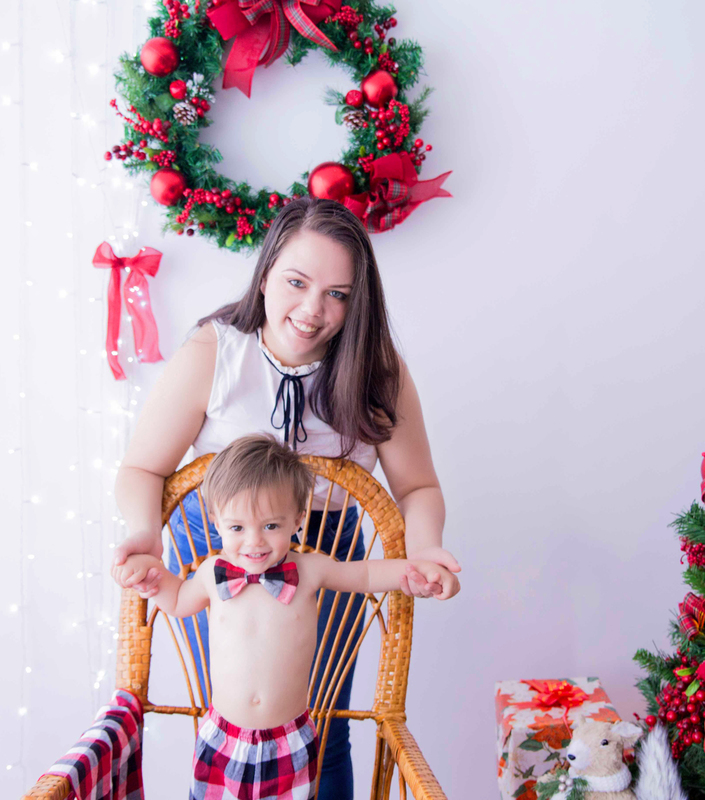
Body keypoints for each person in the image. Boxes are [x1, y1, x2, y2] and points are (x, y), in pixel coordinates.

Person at [111, 197, 460, 797]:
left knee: (321, 728)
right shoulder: (215, 352)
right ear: (267, 270)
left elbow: (418, 485)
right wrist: (146, 536)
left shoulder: (377, 370)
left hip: (330, 550)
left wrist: (426, 548)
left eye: (338, 294)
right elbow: (143, 468)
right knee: (234, 713)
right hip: (218, 546)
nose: (311, 310)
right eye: (297, 282)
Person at [113, 435, 458, 799]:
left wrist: (416, 572)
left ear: (297, 518)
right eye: (237, 528)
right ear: (215, 521)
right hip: (222, 736)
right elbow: (179, 599)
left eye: (271, 526)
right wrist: (149, 576)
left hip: (289, 742)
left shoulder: (309, 570)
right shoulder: (212, 573)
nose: (254, 542)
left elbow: (367, 575)